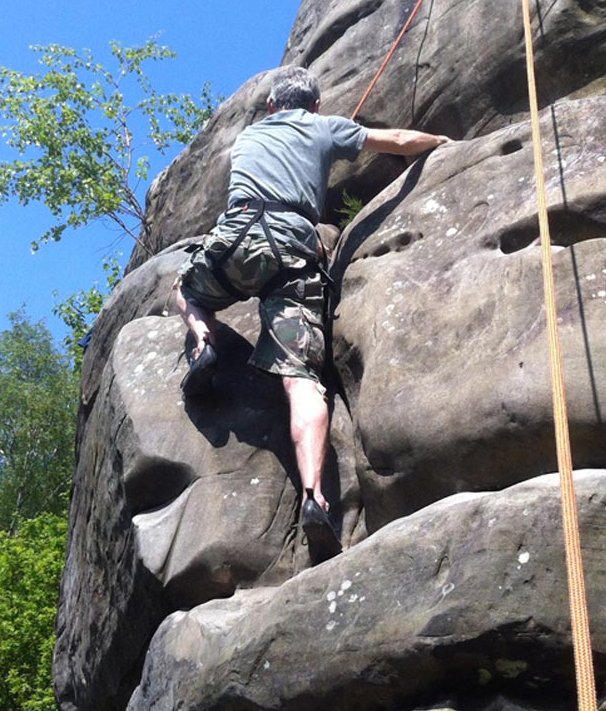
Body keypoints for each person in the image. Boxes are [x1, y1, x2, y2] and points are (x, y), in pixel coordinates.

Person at [174, 65, 450, 553]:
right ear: (316, 106)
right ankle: (315, 497)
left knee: (187, 290)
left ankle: (202, 340)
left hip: (239, 236)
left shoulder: (249, 138)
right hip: (294, 247)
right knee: (302, 380)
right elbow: (401, 139)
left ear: (271, 107)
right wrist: (441, 143)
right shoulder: (326, 126)